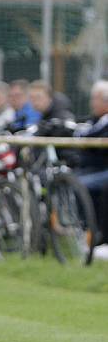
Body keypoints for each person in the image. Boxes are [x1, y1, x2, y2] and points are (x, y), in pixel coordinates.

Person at [74, 80, 108, 249]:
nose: (92, 103)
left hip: (102, 170)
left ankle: (91, 233)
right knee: (74, 180)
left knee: (81, 184)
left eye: (96, 98)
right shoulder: (96, 120)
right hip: (93, 169)